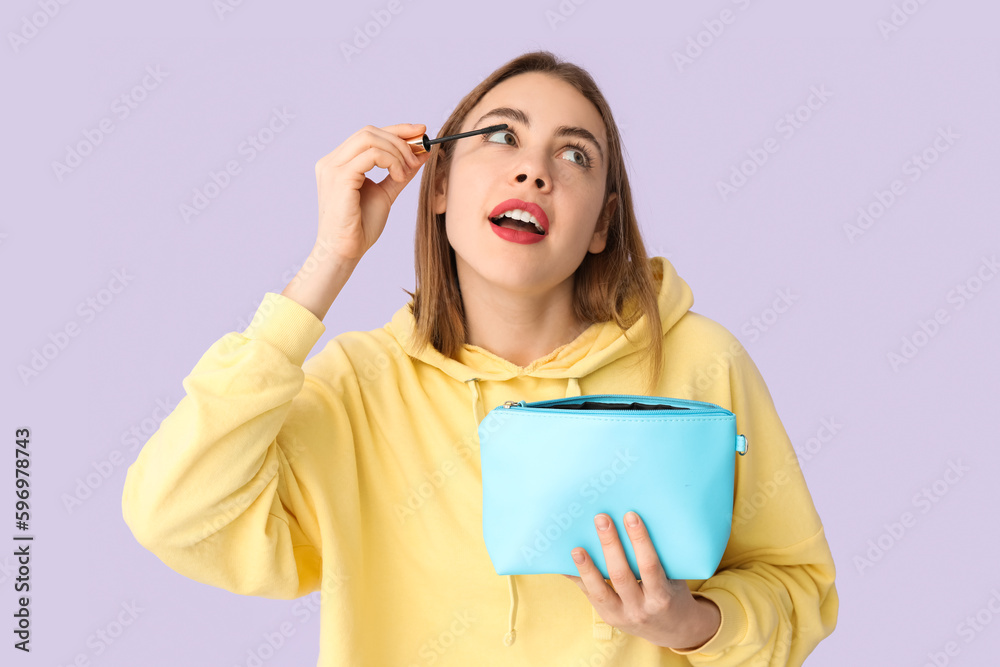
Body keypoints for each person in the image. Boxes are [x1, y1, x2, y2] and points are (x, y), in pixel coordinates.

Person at [121, 50, 838, 665]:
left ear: (601, 226)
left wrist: (692, 626)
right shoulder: (357, 387)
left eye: (574, 154)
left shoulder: (702, 360)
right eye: (502, 137)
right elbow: (175, 514)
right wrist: (328, 262)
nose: (533, 172)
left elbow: (801, 587)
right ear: (437, 186)